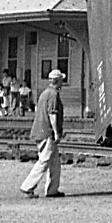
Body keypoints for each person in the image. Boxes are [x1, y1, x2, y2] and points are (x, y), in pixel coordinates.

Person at [20, 68, 67, 199]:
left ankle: (52, 190)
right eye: (62, 80)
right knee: (44, 160)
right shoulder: (53, 95)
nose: (63, 82)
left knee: (55, 163)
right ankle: (27, 187)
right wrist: (56, 132)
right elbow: (52, 115)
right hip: (47, 132)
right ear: (58, 81)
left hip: (40, 130)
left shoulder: (45, 93)